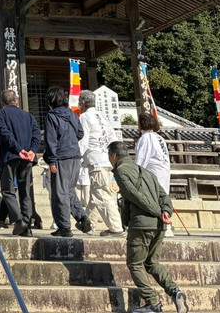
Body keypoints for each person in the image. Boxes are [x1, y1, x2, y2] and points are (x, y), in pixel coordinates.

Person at [108, 141, 188, 313]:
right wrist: (166, 211)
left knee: (135, 264)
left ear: (114, 156)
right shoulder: (147, 172)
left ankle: (152, 302)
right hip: (160, 226)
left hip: (142, 224)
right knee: (152, 262)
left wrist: (157, 211)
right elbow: (164, 196)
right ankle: (175, 291)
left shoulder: (121, 172)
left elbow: (135, 196)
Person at [43, 85, 92, 237]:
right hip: (75, 157)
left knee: (60, 193)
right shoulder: (72, 113)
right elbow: (80, 133)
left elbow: (51, 140)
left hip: (61, 158)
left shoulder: (51, 116)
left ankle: (64, 226)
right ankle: (82, 217)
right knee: (69, 190)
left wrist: (51, 161)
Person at [0, 88, 42, 237]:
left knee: (8, 190)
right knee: (25, 191)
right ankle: (27, 225)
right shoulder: (28, 116)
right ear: (17, 101)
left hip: (10, 155)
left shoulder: (1, 114)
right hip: (27, 157)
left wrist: (18, 149)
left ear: (3, 102)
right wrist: (32, 150)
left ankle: (20, 220)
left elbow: (4, 133)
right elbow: (36, 134)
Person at [78, 90, 124, 236]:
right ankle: (89, 225)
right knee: (95, 195)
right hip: (108, 159)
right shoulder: (102, 117)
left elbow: (83, 140)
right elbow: (113, 139)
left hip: (96, 160)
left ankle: (116, 228)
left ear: (83, 103)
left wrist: (77, 158)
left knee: (102, 195)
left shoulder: (85, 117)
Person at [135, 112, 173, 237]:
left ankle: (162, 226)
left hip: (154, 172)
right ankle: (167, 226)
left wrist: (135, 173)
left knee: (155, 198)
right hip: (164, 170)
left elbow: (141, 159)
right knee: (163, 197)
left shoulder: (146, 138)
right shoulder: (159, 137)